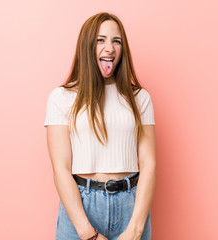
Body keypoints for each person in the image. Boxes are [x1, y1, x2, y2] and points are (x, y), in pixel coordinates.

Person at [44, 12, 157, 240]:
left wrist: (136, 228)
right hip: (80, 208)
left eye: (117, 41)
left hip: (131, 207)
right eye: (100, 40)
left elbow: (149, 163)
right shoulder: (61, 97)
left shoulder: (140, 98)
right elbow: (61, 168)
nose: (110, 48)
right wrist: (87, 232)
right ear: (87, 46)